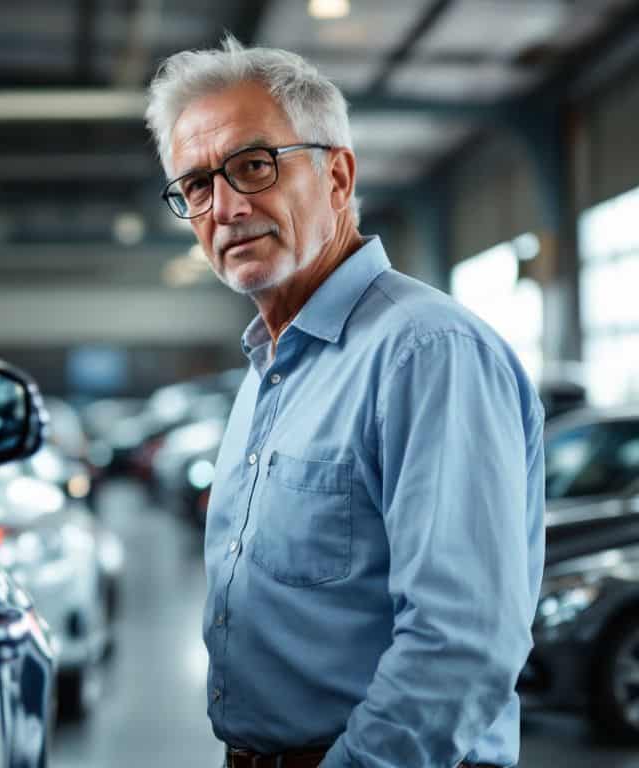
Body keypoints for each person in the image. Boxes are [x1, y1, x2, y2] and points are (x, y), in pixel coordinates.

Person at [144, 36, 544, 768]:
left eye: (254, 165)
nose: (226, 207)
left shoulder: (425, 354)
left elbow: (460, 644)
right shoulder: (270, 370)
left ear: (337, 174)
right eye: (196, 186)